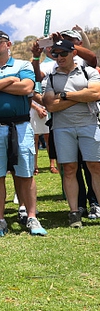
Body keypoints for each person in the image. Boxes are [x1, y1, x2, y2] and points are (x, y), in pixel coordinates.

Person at [0, 30, 44, 237]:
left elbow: (27, 87)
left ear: (8, 44)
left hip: (20, 126)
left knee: (25, 173)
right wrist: (11, 80)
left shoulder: (23, 65)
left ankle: (31, 217)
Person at [41, 39, 100, 227]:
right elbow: (50, 105)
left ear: (73, 53)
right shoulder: (50, 77)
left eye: (63, 53)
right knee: (69, 169)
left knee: (95, 167)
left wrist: (65, 95)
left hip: (89, 124)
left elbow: (96, 94)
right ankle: (74, 212)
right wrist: (82, 96)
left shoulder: (88, 71)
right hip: (62, 128)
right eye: (55, 54)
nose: (59, 57)